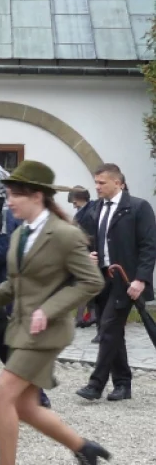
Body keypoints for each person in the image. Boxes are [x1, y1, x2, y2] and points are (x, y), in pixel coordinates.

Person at [0, 161, 108, 465]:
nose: (8, 201)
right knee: (26, 406)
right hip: (21, 329)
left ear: (37, 195)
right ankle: (83, 448)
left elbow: (92, 282)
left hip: (47, 331)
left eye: (15, 195)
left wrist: (50, 308)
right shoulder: (19, 234)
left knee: (0, 395)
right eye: (9, 194)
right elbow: (15, 286)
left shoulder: (65, 234)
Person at [76, 164, 156, 402]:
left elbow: (149, 247)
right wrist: (89, 253)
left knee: (109, 328)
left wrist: (141, 279)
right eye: (96, 182)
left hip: (126, 280)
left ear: (118, 183)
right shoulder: (96, 208)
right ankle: (122, 384)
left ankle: (95, 384)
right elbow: (91, 239)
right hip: (102, 279)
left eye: (102, 183)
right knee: (110, 330)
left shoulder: (138, 208)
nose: (97, 187)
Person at [69, 187, 96, 328]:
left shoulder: (88, 213)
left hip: (90, 254)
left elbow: (90, 236)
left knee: (85, 284)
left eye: (75, 201)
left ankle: (84, 316)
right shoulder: (85, 211)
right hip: (86, 253)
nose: (73, 204)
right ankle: (89, 315)